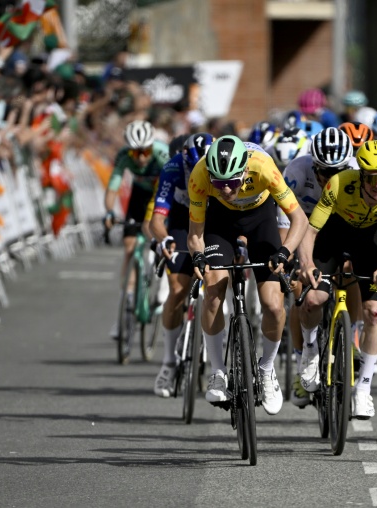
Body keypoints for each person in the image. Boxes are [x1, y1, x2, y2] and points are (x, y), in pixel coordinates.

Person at [187, 135, 309, 416]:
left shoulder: (264, 167)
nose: (226, 188)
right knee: (214, 290)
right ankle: (217, 371)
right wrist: (198, 255)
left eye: (232, 181)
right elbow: (195, 234)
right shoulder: (200, 174)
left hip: (260, 217)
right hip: (221, 220)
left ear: (244, 170)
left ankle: (266, 371)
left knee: (273, 304)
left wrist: (285, 252)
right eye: (219, 183)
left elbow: (299, 219)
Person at [297, 140, 377, 419]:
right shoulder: (339, 184)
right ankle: (310, 350)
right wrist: (306, 265)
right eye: (372, 178)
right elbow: (311, 232)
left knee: (374, 311)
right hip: (333, 235)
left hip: (369, 241)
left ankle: (363, 389)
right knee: (314, 298)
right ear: (361, 174)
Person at [278, 126, 359, 407]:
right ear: (314, 165)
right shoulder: (297, 171)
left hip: (342, 224)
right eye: (324, 172)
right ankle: (304, 357)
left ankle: (354, 337)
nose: (330, 179)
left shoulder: (357, 171)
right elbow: (284, 221)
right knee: (301, 290)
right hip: (303, 224)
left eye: (338, 172)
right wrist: (288, 257)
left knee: (353, 274)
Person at [147, 133, 213, 397]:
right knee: (176, 291)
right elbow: (157, 220)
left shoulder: (219, 166)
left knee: (216, 282)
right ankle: (168, 363)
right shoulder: (173, 167)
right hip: (180, 221)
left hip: (211, 222)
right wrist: (164, 240)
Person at [104, 120, 170, 338]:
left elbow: (169, 186)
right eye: (136, 153)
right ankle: (126, 309)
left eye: (145, 151)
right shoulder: (123, 156)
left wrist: (154, 220)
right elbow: (113, 185)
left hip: (160, 196)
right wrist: (109, 213)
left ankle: (161, 284)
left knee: (159, 240)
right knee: (130, 247)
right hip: (139, 196)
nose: (141, 157)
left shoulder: (162, 155)